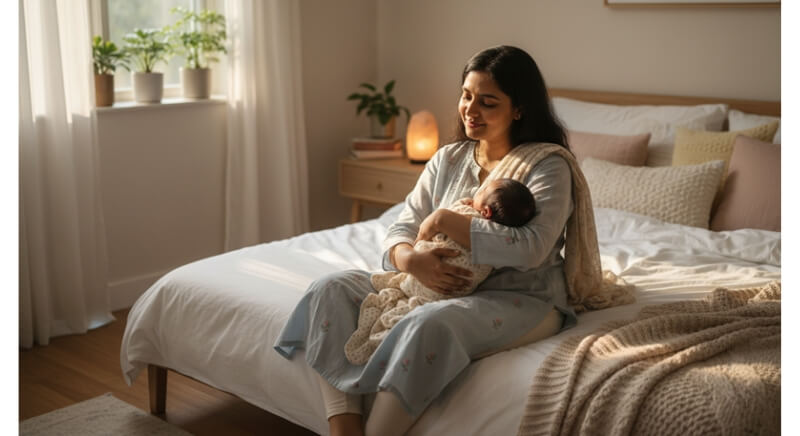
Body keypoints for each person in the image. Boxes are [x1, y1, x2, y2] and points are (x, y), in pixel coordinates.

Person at [275, 45, 581, 436]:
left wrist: (447, 221)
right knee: (328, 289)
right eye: (466, 96)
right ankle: (344, 428)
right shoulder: (449, 159)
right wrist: (409, 260)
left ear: (518, 108)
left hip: (522, 295)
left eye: (487, 102)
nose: (470, 110)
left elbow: (532, 247)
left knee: (427, 324)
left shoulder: (548, 166)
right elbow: (402, 226)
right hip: (425, 284)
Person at [344, 178, 537, 365]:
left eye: (482, 192)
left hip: (428, 286)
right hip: (448, 294)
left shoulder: (467, 214)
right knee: (334, 286)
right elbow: (404, 225)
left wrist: (426, 235)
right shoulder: (499, 236)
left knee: (417, 319)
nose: (476, 193)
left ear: (485, 211)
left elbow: (441, 219)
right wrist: (409, 259)